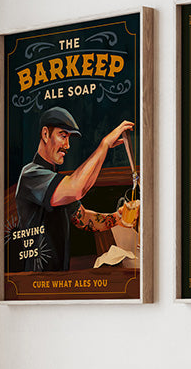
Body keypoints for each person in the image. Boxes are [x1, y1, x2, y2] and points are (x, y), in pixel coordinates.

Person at [10, 106, 134, 272]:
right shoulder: (31, 175)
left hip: (58, 276)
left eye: (69, 138)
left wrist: (117, 218)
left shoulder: (52, 179)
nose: (67, 145)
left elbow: (83, 218)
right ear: (45, 134)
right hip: (36, 280)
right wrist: (104, 145)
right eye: (63, 136)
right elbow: (77, 189)